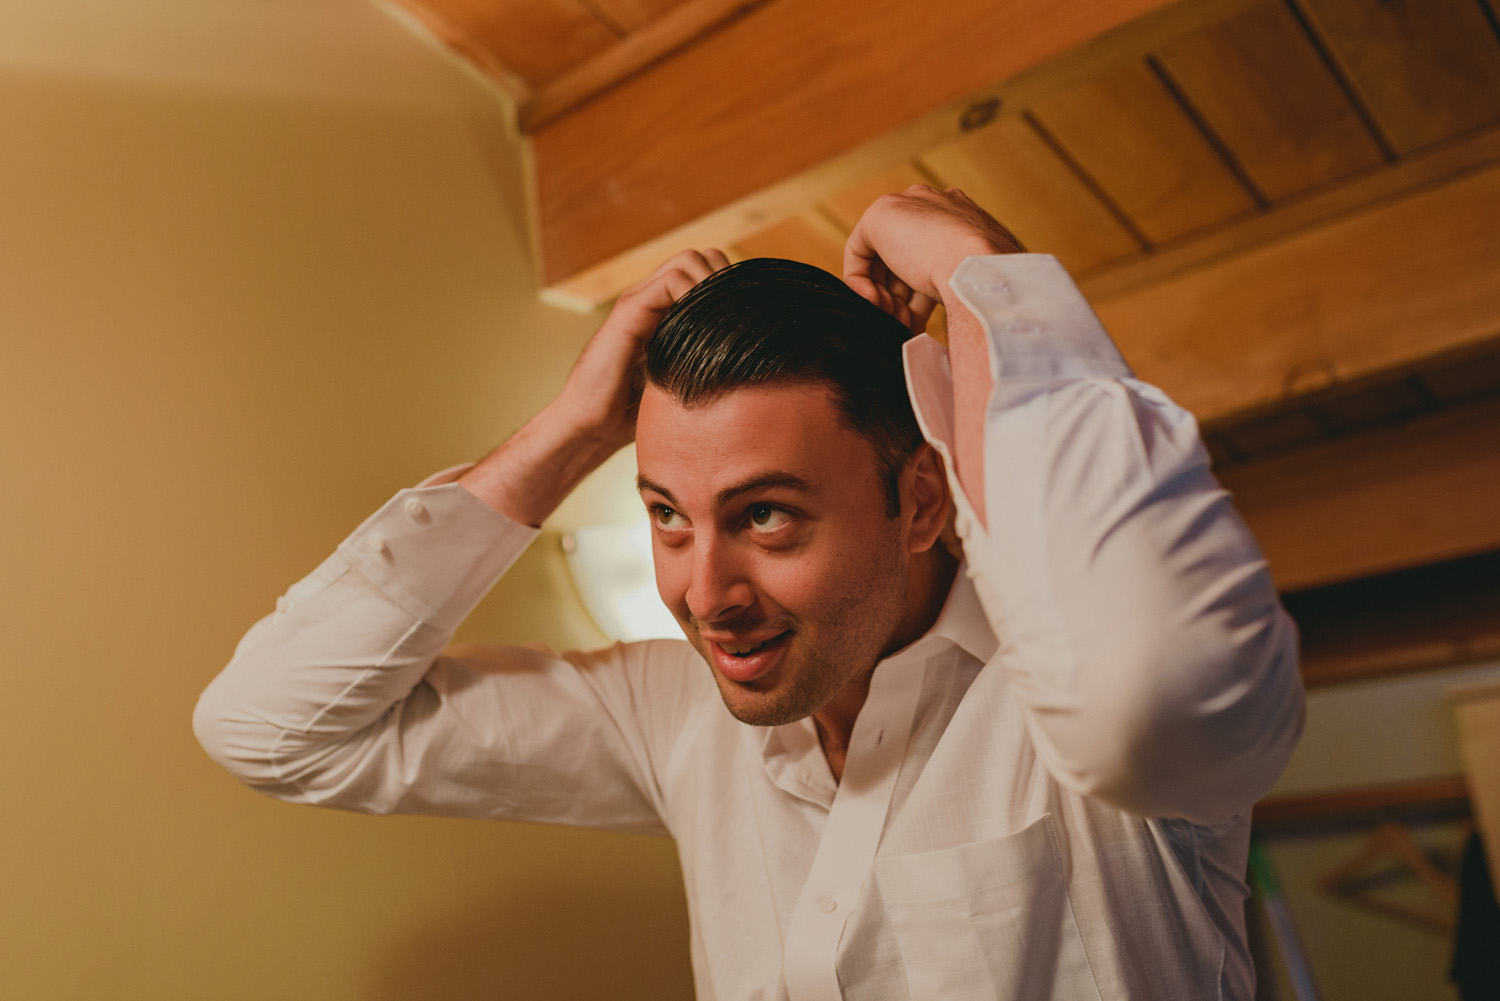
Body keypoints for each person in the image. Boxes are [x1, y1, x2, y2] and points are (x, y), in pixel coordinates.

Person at [195, 187, 1305, 1000]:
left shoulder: (1067, 715)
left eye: (766, 513)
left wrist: (981, 269)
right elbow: (270, 727)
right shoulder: (669, 712)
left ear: (922, 502)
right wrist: (573, 426)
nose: (703, 591)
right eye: (668, 513)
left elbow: (1146, 693)